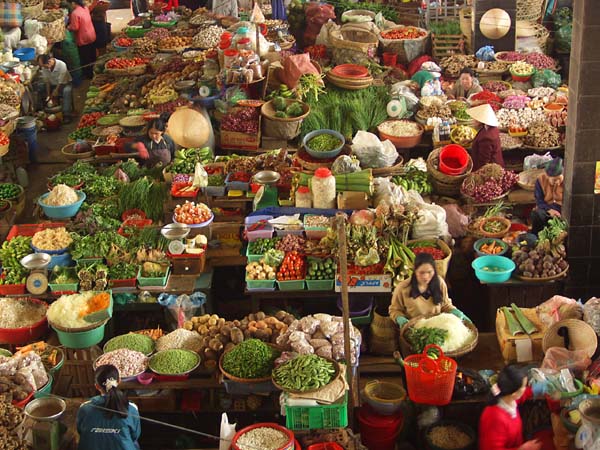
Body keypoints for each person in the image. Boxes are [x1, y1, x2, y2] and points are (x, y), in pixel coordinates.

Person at [389, 253, 470, 329]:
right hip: (414, 330)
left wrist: (455, 311)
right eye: (421, 272)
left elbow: (445, 305)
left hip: (437, 328)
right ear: (415, 271)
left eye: (429, 272)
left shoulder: (440, 283)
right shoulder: (402, 288)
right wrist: (400, 319)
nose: (425, 276)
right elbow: (395, 310)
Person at [77, 365, 141, 450]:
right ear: (119, 381)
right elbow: (135, 435)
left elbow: (80, 431)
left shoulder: (84, 408)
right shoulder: (131, 408)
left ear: (96, 386)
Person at [479, 365, 541, 450]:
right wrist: (522, 449)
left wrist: (535, 389)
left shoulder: (506, 397)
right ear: (514, 394)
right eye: (524, 386)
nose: (525, 388)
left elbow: (520, 396)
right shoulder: (495, 418)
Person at [466, 103, 504, 171]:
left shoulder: (487, 138)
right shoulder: (490, 128)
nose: (473, 120)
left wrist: (476, 173)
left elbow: (483, 161)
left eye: (475, 119)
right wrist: (471, 140)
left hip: (491, 170)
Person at [530, 157, 563, 235]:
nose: (558, 182)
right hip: (546, 207)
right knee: (536, 214)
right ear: (547, 177)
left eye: (559, 179)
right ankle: (536, 237)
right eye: (554, 180)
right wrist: (549, 210)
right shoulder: (541, 180)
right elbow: (539, 201)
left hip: (561, 208)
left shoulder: (566, 180)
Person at [36, 54, 73, 121]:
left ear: (49, 62)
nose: (44, 68)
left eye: (45, 66)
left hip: (64, 84)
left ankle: (66, 114)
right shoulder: (44, 67)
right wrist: (48, 94)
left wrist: (55, 91)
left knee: (66, 91)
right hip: (53, 84)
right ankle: (42, 109)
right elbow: (47, 82)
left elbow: (61, 81)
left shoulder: (62, 65)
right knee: (40, 86)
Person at [68, 0, 96, 79]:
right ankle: (94, 71)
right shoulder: (85, 8)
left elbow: (75, 27)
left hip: (83, 38)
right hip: (91, 34)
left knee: (85, 57)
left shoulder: (75, 13)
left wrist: (68, 27)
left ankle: (88, 75)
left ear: (73, 3)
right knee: (92, 54)